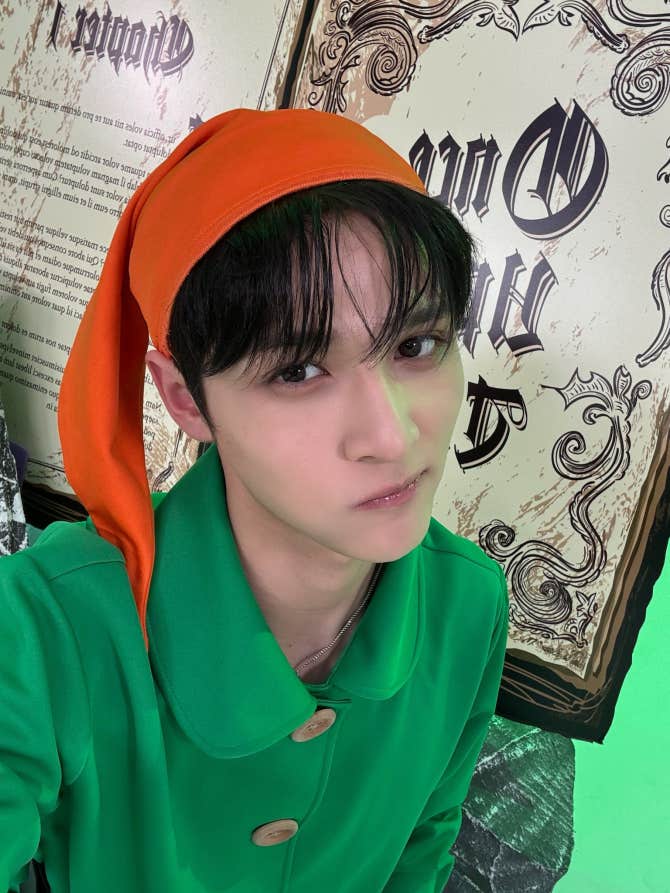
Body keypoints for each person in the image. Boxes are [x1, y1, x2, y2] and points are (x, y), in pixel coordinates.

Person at [0, 108, 509, 893]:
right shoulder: (51, 622)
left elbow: (421, 850)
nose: (391, 433)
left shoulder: (468, 603)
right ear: (185, 397)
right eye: (299, 370)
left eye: (417, 345)